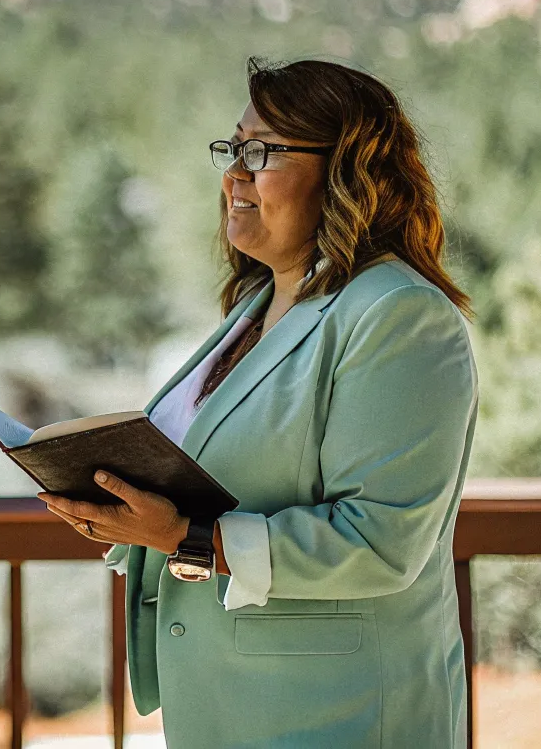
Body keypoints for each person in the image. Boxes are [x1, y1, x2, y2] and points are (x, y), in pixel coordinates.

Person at [42, 56, 477, 747]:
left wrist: (180, 534)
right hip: (232, 705)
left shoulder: (398, 315)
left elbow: (381, 542)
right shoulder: (257, 302)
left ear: (346, 170)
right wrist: (124, 516)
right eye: (233, 148)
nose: (234, 173)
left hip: (340, 715)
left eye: (262, 151)